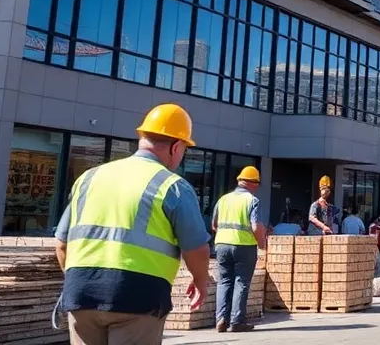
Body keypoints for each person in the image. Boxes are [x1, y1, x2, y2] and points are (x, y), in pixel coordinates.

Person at [54, 103, 210, 345]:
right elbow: (196, 248)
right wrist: (201, 280)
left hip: (81, 292)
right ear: (176, 146)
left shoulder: (89, 178)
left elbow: (62, 243)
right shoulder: (172, 185)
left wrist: (82, 279)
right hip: (137, 295)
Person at [211, 166, 267, 333]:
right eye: (257, 183)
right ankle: (237, 321)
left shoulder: (223, 199)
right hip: (244, 246)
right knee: (241, 282)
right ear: (252, 183)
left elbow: (214, 225)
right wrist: (262, 243)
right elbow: (256, 226)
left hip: (221, 244)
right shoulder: (252, 200)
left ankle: (221, 318)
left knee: (224, 281)